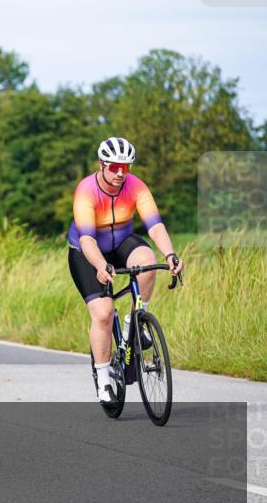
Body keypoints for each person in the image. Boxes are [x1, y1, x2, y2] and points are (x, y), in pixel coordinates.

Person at [67, 137, 184, 406]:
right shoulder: (86, 191)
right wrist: (99, 265)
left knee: (147, 261)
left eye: (126, 167)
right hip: (87, 251)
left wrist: (170, 254)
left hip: (121, 242)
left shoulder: (136, 186)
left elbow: (154, 225)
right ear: (102, 164)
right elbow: (87, 239)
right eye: (115, 166)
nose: (121, 173)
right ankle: (104, 378)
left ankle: (135, 322)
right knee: (104, 313)